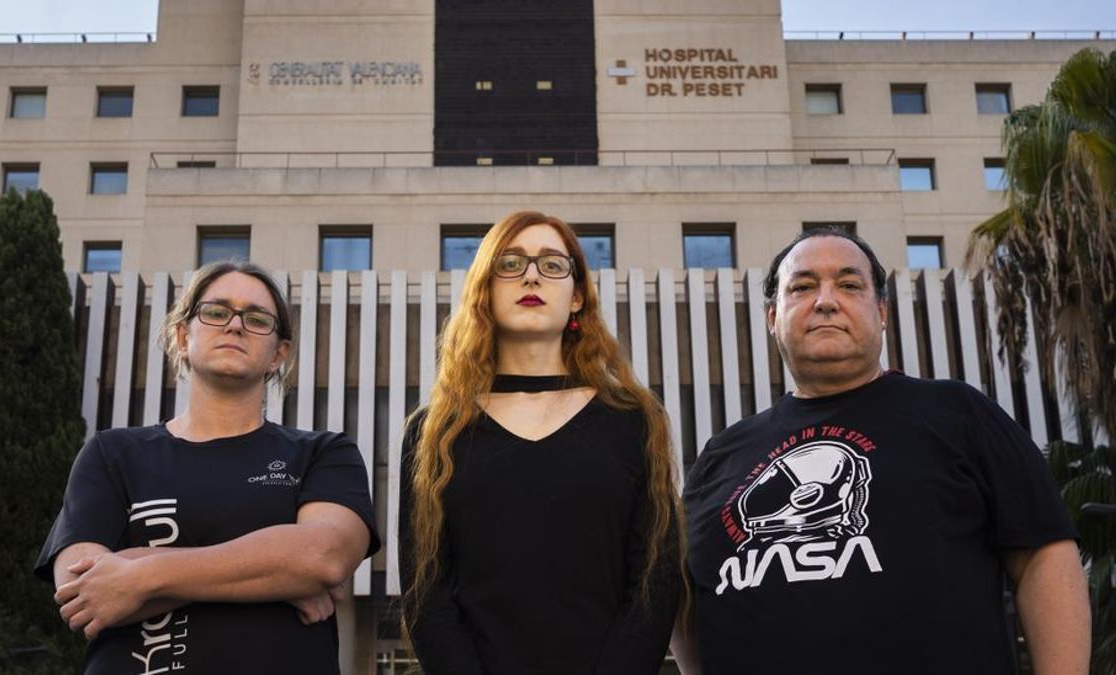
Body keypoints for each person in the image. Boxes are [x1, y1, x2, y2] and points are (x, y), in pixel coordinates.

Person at [671, 228, 1090, 674]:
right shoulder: (722, 453)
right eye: (803, 286)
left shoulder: (958, 413)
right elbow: (683, 596)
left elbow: (1043, 556)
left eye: (849, 285)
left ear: (882, 311)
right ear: (772, 316)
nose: (826, 301)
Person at [35, 261, 380, 673]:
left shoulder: (323, 453)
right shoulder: (112, 454)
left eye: (257, 319)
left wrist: (143, 575)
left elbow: (322, 557)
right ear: (183, 336)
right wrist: (274, 576)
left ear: (278, 354)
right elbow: (83, 592)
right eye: (216, 312)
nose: (235, 326)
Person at [400, 210, 684, 674]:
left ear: (577, 296)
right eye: (510, 264)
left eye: (552, 264)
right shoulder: (435, 430)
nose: (531, 275)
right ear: (484, 292)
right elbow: (425, 594)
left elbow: (655, 580)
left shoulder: (634, 420)